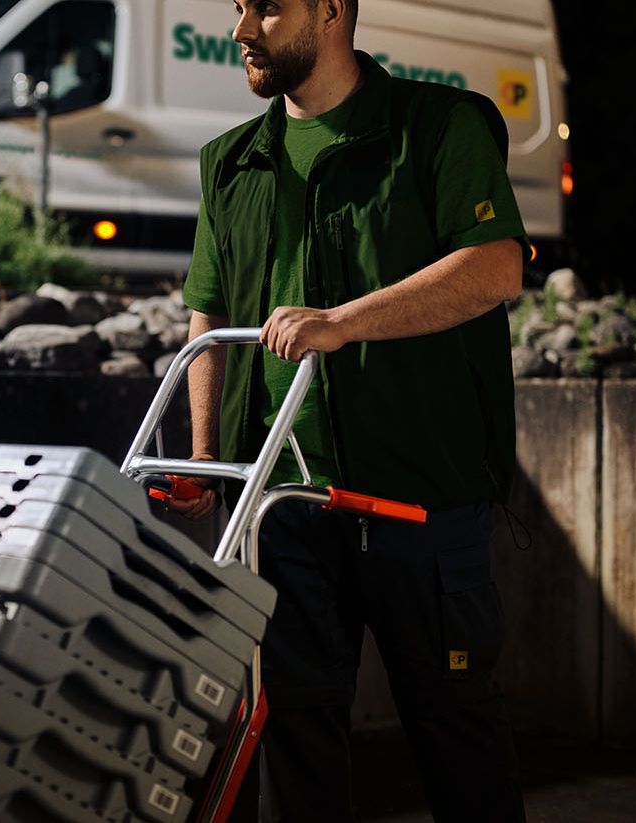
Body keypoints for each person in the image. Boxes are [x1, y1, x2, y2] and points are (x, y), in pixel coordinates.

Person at [167, 1, 530, 820]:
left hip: (420, 501)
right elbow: (209, 314)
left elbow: (497, 267)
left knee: (458, 736)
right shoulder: (232, 161)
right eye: (238, 8)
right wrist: (199, 455)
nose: (242, 30)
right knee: (293, 744)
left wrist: (342, 322)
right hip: (284, 511)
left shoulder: (438, 128)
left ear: (331, 11)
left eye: (267, 8)